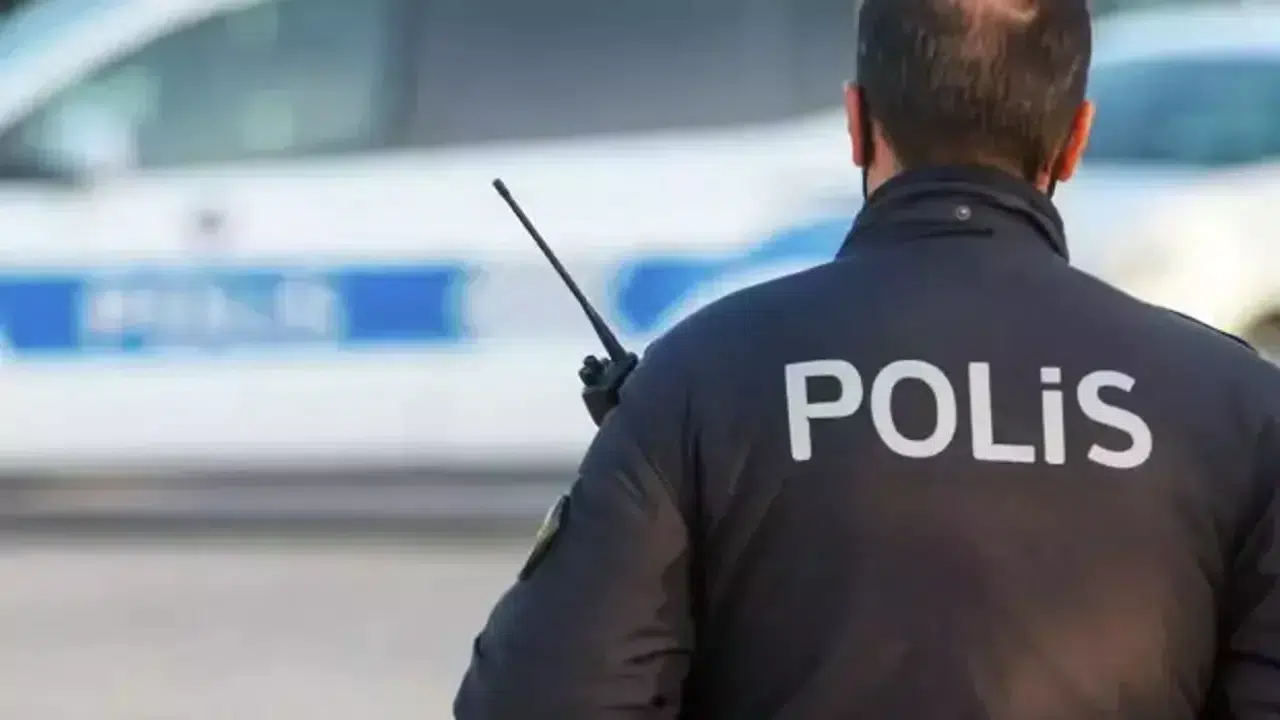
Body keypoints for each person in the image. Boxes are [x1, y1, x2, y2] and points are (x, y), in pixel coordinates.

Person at [453, 0, 1280, 716]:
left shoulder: (701, 378)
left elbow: (543, 700)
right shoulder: (1236, 408)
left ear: (856, 124)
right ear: (1075, 140)